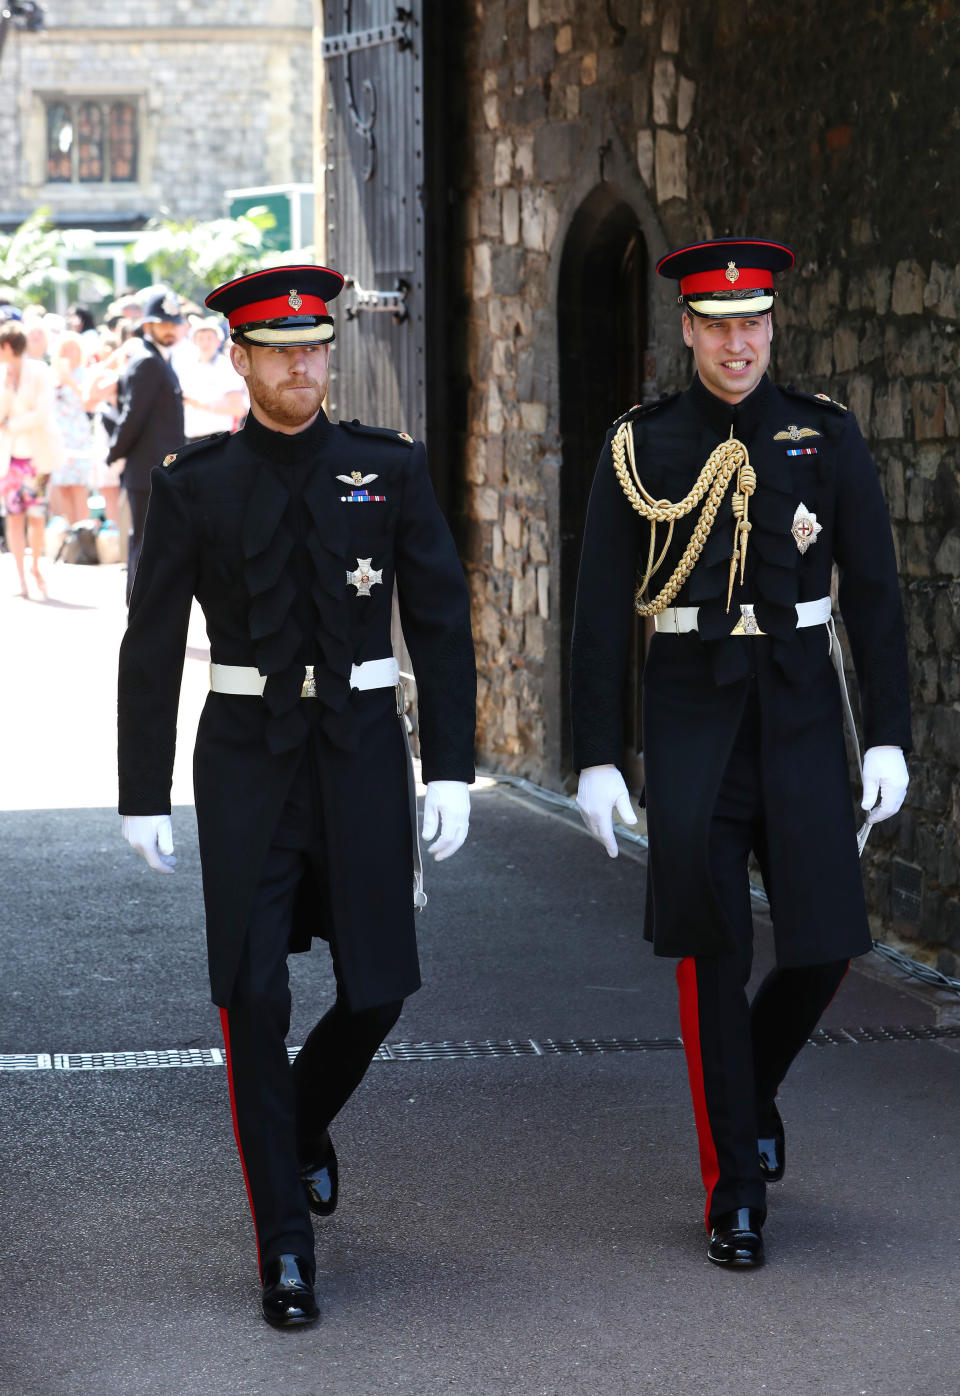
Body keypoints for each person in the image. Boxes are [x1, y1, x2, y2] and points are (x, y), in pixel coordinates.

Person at [117, 266, 476, 1328]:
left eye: (316, 347)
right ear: (241, 358)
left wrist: (452, 765)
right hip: (243, 759)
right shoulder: (194, 481)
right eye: (281, 350)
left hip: (363, 749)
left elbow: (443, 624)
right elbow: (148, 644)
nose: (304, 366)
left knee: (379, 986)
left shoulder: (387, 469)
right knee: (254, 993)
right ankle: (284, 1245)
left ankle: (301, 1120)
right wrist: (140, 792)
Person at [571, 238, 911, 1270]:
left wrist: (890, 733)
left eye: (752, 323)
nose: (736, 343)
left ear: (772, 326)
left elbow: (881, 594)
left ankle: (744, 1092)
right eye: (716, 326)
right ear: (686, 329)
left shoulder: (826, 435)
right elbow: (596, 611)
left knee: (825, 943)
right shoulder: (642, 444)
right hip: (691, 718)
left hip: (803, 712)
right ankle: (736, 1190)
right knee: (713, 955)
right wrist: (597, 754)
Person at [105, 286, 185, 601]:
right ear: (148, 325)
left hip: (157, 468)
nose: (168, 329)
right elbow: (132, 417)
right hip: (147, 470)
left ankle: (143, 613)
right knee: (144, 543)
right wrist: (113, 454)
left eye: (172, 323)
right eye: (161, 323)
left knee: (151, 542)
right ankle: (140, 616)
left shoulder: (158, 358)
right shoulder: (148, 362)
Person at [0, 318, 62, 598]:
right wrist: (9, 387)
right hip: (10, 457)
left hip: (36, 457)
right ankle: (20, 575)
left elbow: (42, 412)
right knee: (14, 517)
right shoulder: (3, 375)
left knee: (36, 516)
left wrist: (12, 424)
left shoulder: (39, 371)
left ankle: (36, 566)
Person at [174, 314, 247, 440]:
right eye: (200, 338)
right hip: (191, 437)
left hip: (219, 437)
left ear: (218, 341)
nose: (205, 343)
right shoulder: (187, 367)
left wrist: (200, 405)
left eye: (209, 338)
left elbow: (238, 408)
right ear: (193, 341)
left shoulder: (226, 367)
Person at [49, 331, 95, 524]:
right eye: (64, 349)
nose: (68, 353)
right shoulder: (52, 375)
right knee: (63, 488)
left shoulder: (85, 374)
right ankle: (69, 531)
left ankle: (82, 532)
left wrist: (69, 381)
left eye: (72, 349)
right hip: (58, 436)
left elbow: (88, 403)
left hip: (78, 437)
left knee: (79, 487)